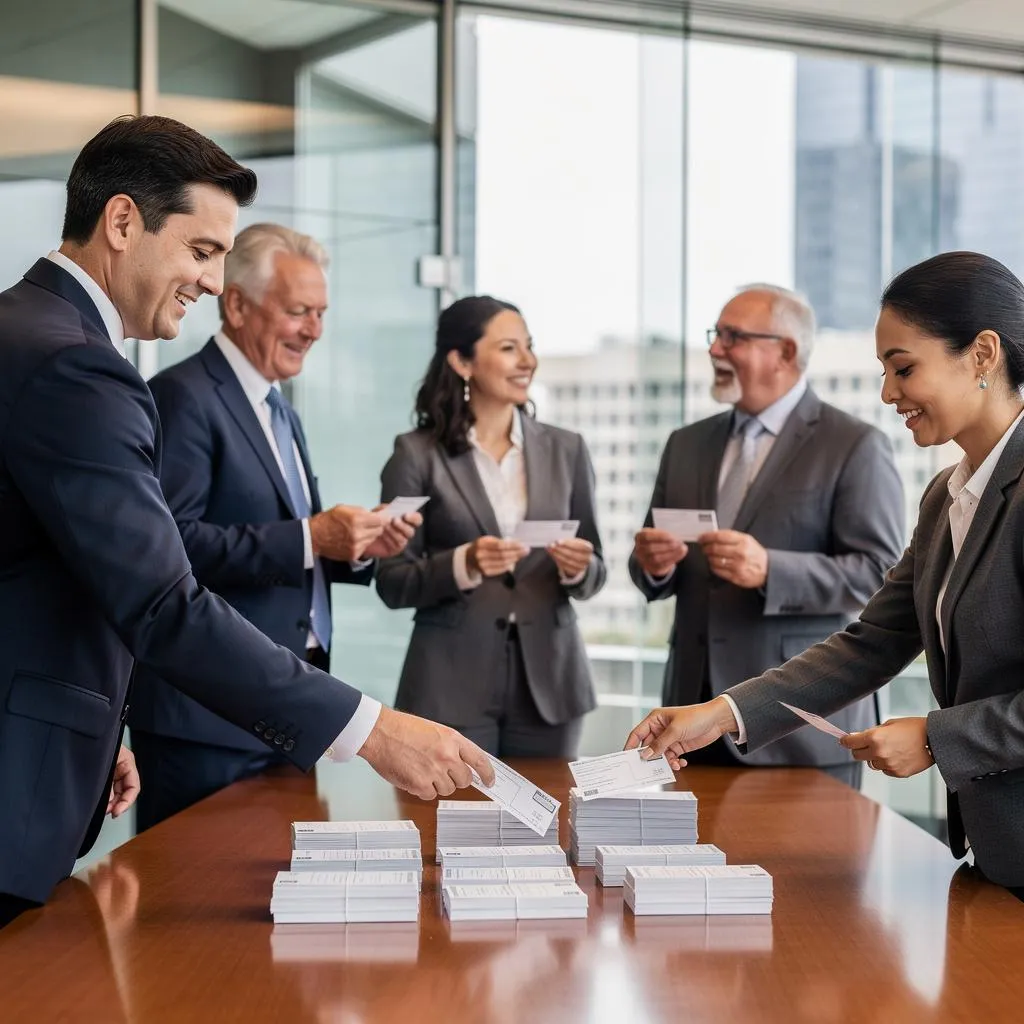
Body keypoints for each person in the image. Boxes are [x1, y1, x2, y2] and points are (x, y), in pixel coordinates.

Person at [0, 115, 492, 928]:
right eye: (201, 251)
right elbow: (162, 600)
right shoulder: (75, 366)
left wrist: (99, 722)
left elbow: (53, 570)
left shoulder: (29, 333)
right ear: (123, 222)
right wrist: (369, 729)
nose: (210, 281)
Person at [626, 251, 1024, 898]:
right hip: (995, 852)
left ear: (982, 354)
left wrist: (934, 737)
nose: (888, 393)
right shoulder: (945, 497)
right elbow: (870, 643)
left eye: (903, 368)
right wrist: (721, 713)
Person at [129, 224, 422, 830]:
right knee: (192, 912)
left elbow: (289, 542)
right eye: (297, 311)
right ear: (236, 304)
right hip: (205, 721)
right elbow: (169, 548)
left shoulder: (280, 408)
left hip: (285, 713)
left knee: (274, 905)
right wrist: (314, 537)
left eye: (320, 313)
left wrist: (356, 548)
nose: (314, 329)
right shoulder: (183, 397)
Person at [629, 284, 904, 786]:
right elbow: (651, 563)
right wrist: (653, 564)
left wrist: (771, 570)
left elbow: (880, 576)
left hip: (799, 728)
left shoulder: (855, 445)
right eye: (716, 335)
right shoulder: (685, 444)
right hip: (690, 726)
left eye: (733, 337)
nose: (715, 349)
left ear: (787, 351)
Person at [375, 296, 606, 758]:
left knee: (548, 824)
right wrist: (464, 563)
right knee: (448, 826)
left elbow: (596, 570)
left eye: (529, 347)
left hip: (550, 683)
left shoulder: (567, 449)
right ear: (461, 361)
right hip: (448, 682)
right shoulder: (416, 454)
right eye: (508, 348)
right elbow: (391, 582)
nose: (528, 361)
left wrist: (580, 568)